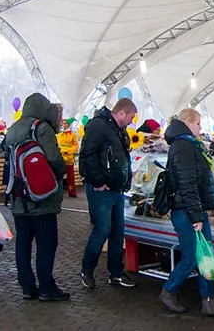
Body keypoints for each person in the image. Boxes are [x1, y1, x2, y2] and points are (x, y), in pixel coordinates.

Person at [158, 108, 214, 318]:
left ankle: (208, 300)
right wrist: (196, 216)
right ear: (188, 123)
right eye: (198, 123)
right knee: (192, 256)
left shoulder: (189, 144)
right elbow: (187, 184)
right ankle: (169, 290)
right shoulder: (183, 146)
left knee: (206, 256)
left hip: (194, 209)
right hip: (187, 211)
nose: (201, 127)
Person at [5, 93, 69, 302]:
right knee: (46, 243)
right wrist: (60, 175)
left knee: (23, 242)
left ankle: (27, 286)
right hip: (42, 198)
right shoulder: (42, 128)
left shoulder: (13, 129)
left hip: (18, 198)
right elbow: (54, 158)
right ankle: (46, 287)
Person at [78, 99, 137, 289]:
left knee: (117, 232)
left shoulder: (117, 130)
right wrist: (98, 181)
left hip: (116, 189)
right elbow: (88, 154)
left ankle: (116, 273)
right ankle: (87, 270)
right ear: (121, 113)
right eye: (130, 117)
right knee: (102, 230)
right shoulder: (98, 126)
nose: (131, 122)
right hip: (101, 190)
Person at [56, 119, 79, 198]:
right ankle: (58, 192)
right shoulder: (59, 135)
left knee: (70, 177)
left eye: (65, 123)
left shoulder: (73, 135)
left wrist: (68, 151)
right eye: (63, 123)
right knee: (58, 176)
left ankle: (72, 191)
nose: (64, 125)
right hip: (60, 158)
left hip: (69, 158)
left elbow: (75, 146)